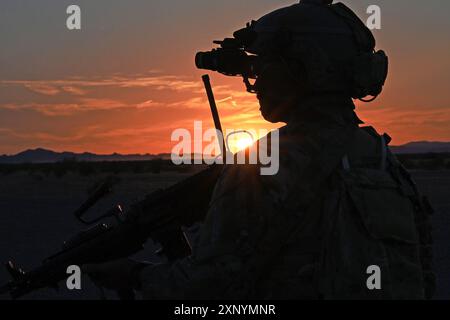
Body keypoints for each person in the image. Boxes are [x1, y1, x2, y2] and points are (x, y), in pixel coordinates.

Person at [83, 0, 434, 299]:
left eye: (265, 67)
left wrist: (135, 275)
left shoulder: (267, 163)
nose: (257, 82)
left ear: (303, 69)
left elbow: (208, 286)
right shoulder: (383, 161)